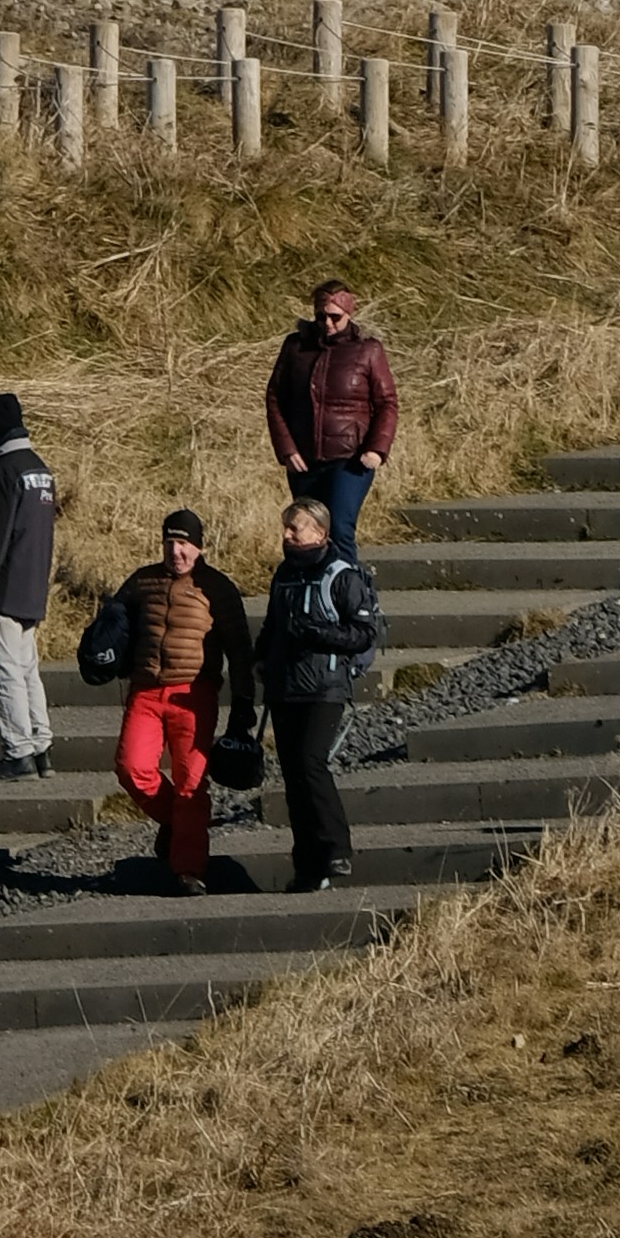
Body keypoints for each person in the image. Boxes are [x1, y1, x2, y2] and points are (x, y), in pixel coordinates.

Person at [104, 505, 256, 891]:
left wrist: (242, 705)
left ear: (200, 548)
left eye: (185, 544)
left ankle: (189, 869)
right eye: (171, 542)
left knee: (191, 783)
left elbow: (240, 649)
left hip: (195, 693)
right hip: (145, 689)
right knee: (131, 768)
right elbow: (112, 623)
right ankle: (175, 822)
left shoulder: (217, 587)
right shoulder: (142, 581)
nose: (177, 552)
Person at [253, 494, 382, 892]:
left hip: (325, 688)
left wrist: (321, 635)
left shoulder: (342, 575)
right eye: (286, 527)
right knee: (293, 775)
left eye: (295, 527)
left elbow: (364, 635)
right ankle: (308, 864)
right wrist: (261, 661)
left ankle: (336, 848)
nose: (287, 535)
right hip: (285, 686)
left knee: (311, 763)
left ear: (320, 533)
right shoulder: (283, 574)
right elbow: (273, 626)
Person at [0, 391, 62, 780]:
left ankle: (17, 751)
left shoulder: (3, 473)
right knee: (26, 670)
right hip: (31, 586)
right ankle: (41, 746)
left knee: (3, 672)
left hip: (2, 590)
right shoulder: (38, 468)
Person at [265, 274, 399, 554]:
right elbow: (275, 398)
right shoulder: (295, 348)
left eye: (335, 317)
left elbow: (387, 402)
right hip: (304, 460)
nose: (327, 323)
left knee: (338, 529)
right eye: (320, 316)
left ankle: (350, 595)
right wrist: (287, 449)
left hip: (350, 460)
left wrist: (376, 449)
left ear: (349, 313)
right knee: (305, 533)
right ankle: (311, 595)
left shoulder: (368, 350)